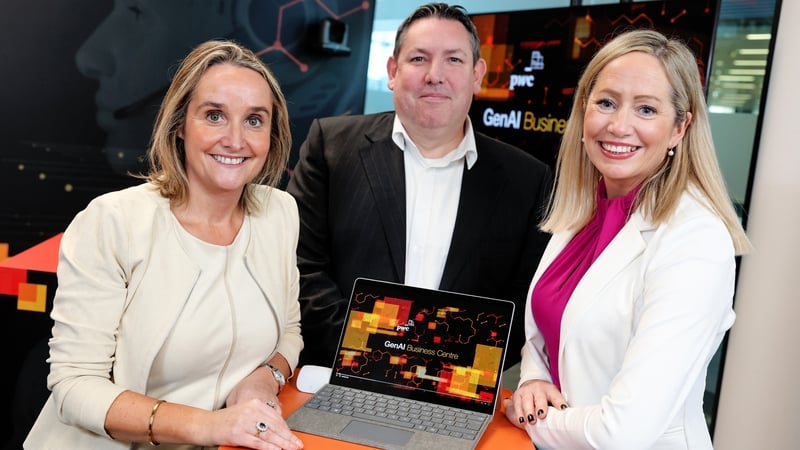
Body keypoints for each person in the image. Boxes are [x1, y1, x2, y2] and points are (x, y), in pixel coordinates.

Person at [24, 40, 304, 450]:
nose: (235, 139)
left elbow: (289, 331)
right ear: (179, 125)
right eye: (214, 116)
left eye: (255, 120)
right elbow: (75, 385)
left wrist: (266, 378)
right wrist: (209, 426)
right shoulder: (113, 221)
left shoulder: (279, 212)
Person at [503, 28, 752, 449]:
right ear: (583, 112)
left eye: (647, 109)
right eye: (606, 103)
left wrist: (521, 416)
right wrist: (532, 381)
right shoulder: (584, 210)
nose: (619, 126)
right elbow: (547, 334)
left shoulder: (696, 241)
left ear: (680, 127)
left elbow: (621, 433)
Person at [285, 2, 552, 369]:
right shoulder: (330, 147)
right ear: (393, 70)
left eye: (454, 60)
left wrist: (441, 363)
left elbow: (524, 301)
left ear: (477, 75)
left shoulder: (528, 179)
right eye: (419, 59)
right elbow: (300, 267)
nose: (434, 75)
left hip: (456, 387)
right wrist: (376, 353)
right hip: (337, 373)